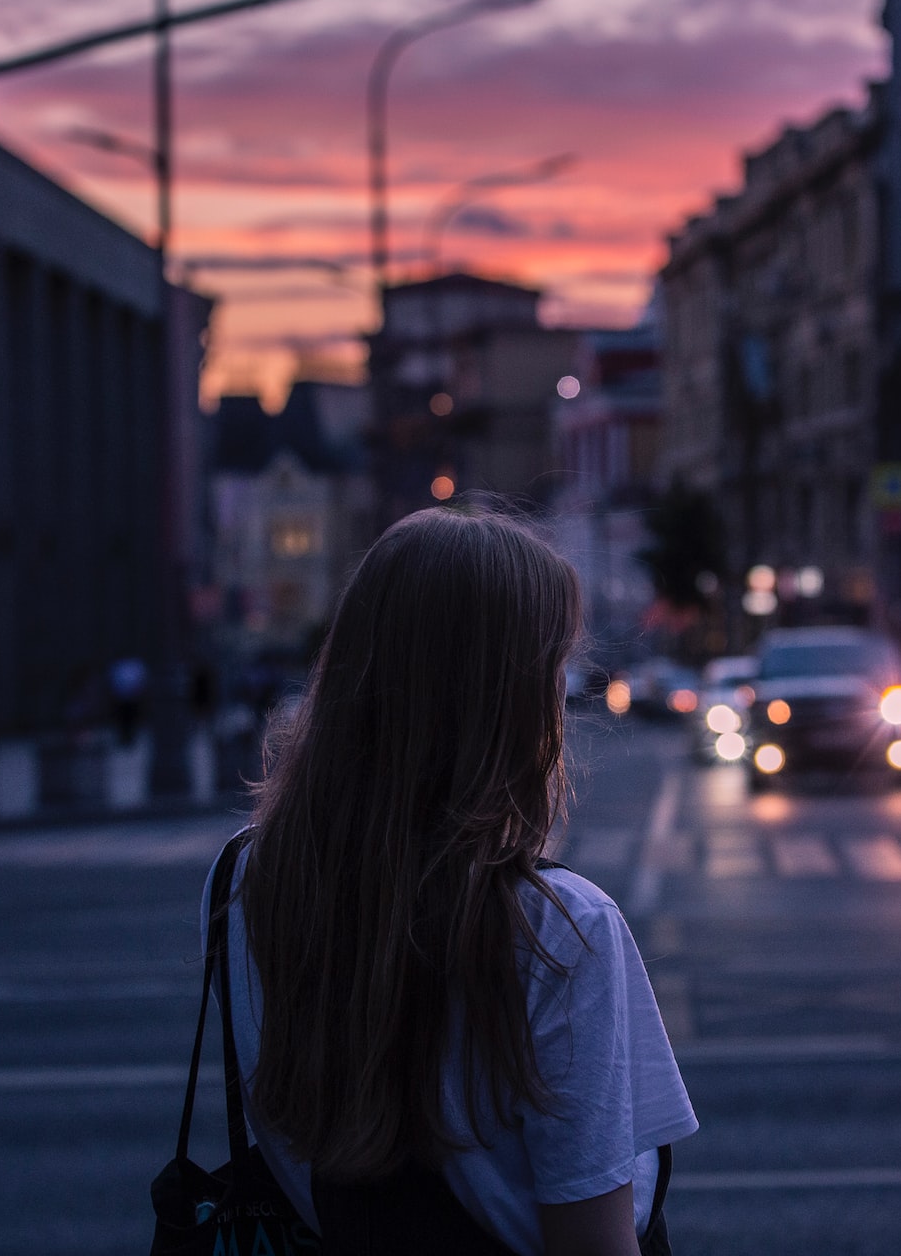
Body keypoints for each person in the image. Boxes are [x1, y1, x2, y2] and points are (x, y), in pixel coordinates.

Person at [203, 508, 697, 1255]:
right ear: (502, 701)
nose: (559, 705)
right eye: (549, 672)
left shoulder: (244, 879)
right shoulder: (562, 929)